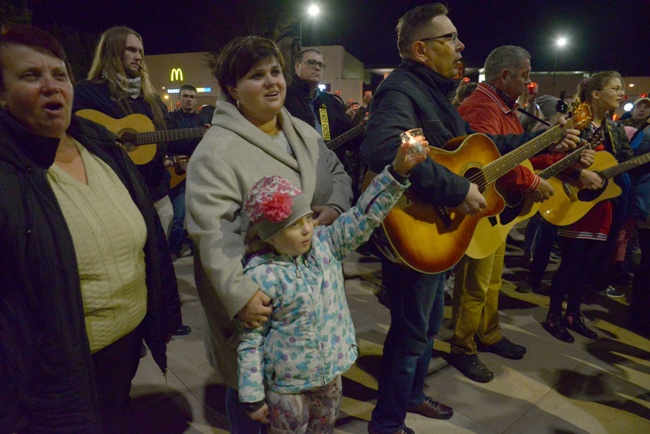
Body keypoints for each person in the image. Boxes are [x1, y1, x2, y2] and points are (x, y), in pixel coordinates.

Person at [359, 5, 580, 434]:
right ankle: (386, 423)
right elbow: (388, 145)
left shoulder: (434, 93)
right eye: (450, 38)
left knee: (425, 326)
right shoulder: (402, 89)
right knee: (410, 333)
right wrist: (457, 190)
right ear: (421, 50)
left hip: (440, 231)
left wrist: (538, 139)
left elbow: (475, 146)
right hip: (416, 225)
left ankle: (413, 396)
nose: (461, 46)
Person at [0, 24, 181, 433]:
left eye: (59, 74)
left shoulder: (100, 146)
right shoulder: (9, 172)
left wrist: (162, 316)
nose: (52, 86)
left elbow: (148, 238)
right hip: (55, 375)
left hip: (126, 349)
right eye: (31, 76)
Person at [185, 36, 353, 434]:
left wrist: (334, 208)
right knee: (248, 390)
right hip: (257, 300)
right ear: (232, 89)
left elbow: (339, 173)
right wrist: (240, 295)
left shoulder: (302, 132)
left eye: (275, 72)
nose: (272, 82)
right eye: (256, 76)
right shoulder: (216, 151)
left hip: (306, 300)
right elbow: (211, 234)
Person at [238, 139, 427, 432]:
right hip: (287, 387)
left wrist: (398, 172)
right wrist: (252, 396)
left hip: (331, 376)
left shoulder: (326, 244)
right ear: (270, 236)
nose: (306, 230)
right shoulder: (261, 274)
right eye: (292, 225)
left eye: (307, 219)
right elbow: (251, 339)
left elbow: (365, 214)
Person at [73, 26, 191, 337]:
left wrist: (200, 137)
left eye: (140, 50)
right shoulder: (88, 93)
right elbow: (79, 136)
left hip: (154, 193)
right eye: (130, 50)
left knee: (156, 262)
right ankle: (129, 328)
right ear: (112, 52)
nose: (138, 56)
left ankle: (157, 321)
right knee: (125, 264)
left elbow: (164, 142)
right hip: (115, 196)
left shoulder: (151, 100)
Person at [449, 45, 559, 383]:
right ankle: (463, 346)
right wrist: (533, 181)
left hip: (494, 211)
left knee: (491, 280)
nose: (528, 83)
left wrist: (552, 154)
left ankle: (489, 334)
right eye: (524, 76)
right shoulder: (482, 107)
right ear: (506, 75)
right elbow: (492, 159)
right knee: (474, 285)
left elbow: (520, 155)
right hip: (480, 211)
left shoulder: (503, 108)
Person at [542, 71, 633, 343]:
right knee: (569, 264)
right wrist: (577, 175)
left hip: (602, 205)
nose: (621, 94)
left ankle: (573, 314)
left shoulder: (615, 129)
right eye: (615, 88)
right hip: (575, 203)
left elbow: (623, 162)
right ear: (595, 94)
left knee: (587, 266)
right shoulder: (577, 123)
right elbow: (551, 160)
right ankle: (553, 316)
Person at [284, 48, 370, 196]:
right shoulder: (284, 99)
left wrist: (368, 129)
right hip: (295, 177)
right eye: (311, 63)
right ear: (297, 66)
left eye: (320, 65)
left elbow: (351, 140)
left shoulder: (329, 102)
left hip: (332, 176)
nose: (317, 67)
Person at [167, 84, 207, 261]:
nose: (189, 99)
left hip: (196, 173)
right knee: (178, 215)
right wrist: (176, 159)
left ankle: (194, 248)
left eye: (192, 96)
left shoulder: (201, 122)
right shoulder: (170, 119)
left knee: (197, 214)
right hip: (177, 172)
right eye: (185, 96)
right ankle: (174, 250)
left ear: (196, 100)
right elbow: (166, 145)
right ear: (179, 99)